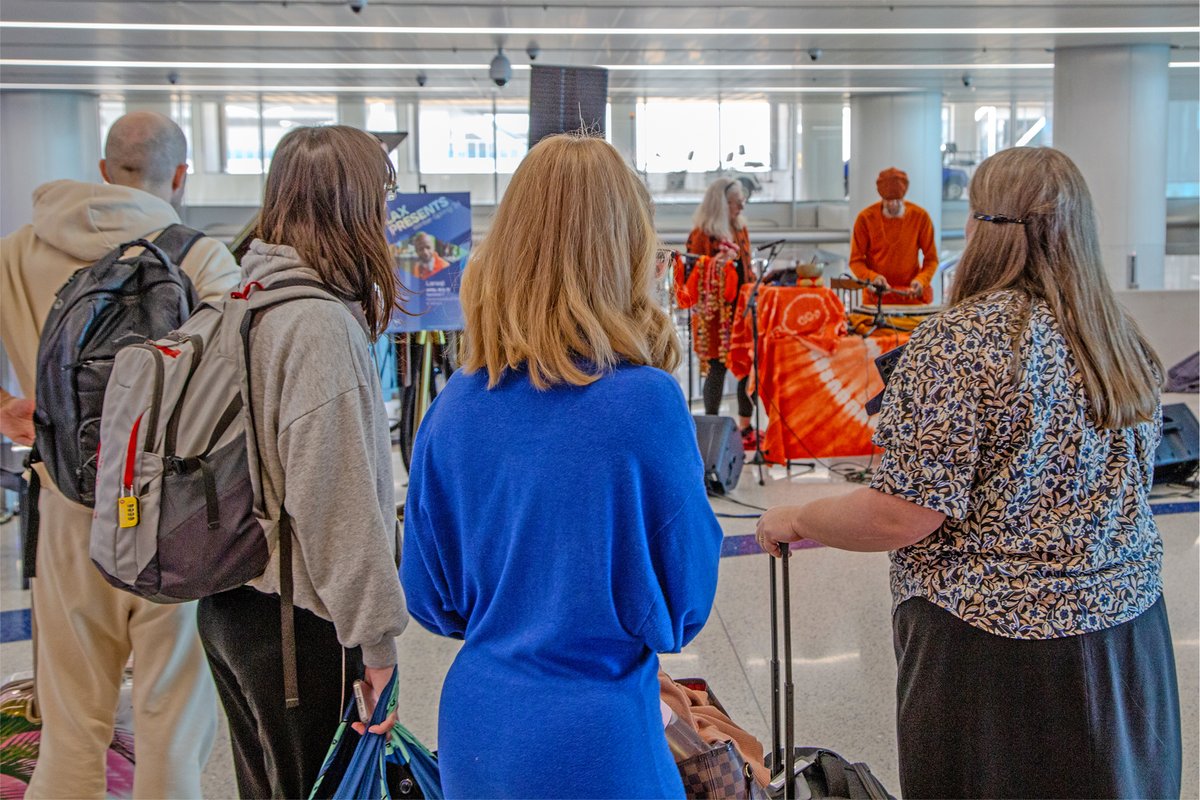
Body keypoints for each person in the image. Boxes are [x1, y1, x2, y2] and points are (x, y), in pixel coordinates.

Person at [757, 147, 1181, 799]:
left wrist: (796, 516)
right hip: (1128, 641)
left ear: (981, 227)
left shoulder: (958, 342)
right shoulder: (1118, 336)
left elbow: (901, 514)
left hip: (997, 654)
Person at [401, 133, 724, 798]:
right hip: (596, 737)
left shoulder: (457, 402)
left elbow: (429, 600)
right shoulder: (646, 403)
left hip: (477, 726)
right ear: (626, 248)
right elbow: (684, 602)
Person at [0, 111, 235, 798]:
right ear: (181, 175)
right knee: (172, 724)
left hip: (68, 510)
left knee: (72, 729)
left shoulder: (19, 251)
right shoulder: (201, 259)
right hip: (173, 520)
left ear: (103, 169)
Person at [194, 125, 409, 798]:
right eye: (380, 198)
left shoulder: (244, 302)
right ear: (352, 209)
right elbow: (336, 506)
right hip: (298, 628)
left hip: (232, 604)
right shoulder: (316, 326)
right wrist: (377, 645)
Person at [687, 177, 758, 448]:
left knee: (745, 367)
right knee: (716, 369)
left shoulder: (741, 229)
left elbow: (747, 269)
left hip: (742, 310)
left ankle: (745, 426)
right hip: (715, 316)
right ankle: (712, 427)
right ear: (721, 204)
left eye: (742, 202)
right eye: (736, 203)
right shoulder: (702, 234)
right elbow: (692, 273)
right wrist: (716, 265)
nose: (741, 207)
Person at [848, 167, 938, 305]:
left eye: (897, 200)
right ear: (881, 197)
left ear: (903, 196)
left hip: (910, 296)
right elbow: (855, 261)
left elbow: (931, 259)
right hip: (876, 298)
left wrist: (921, 280)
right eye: (888, 200)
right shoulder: (865, 218)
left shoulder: (920, 217)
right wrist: (873, 277)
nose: (893, 205)